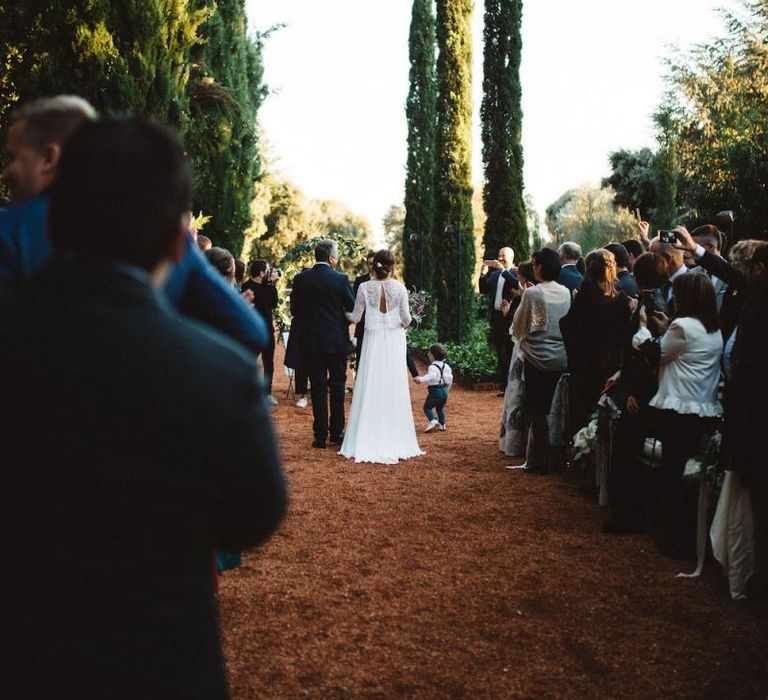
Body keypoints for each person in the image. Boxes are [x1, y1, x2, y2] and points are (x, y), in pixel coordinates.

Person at [0, 116, 286, 699]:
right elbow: (253, 514)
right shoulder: (219, 372)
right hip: (163, 666)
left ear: (54, 216)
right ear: (181, 242)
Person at [0, 95, 266, 354]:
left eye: (15, 156)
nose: (7, 170)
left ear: (49, 157)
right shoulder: (160, 229)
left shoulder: (10, 230)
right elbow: (249, 330)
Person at [632, 273, 723, 559]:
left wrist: (644, 329)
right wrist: (667, 327)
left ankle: (674, 539)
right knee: (691, 475)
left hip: (678, 409)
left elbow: (654, 354)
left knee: (673, 474)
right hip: (704, 408)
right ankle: (690, 537)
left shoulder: (683, 326)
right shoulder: (714, 328)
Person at [603, 252, 669, 534]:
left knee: (628, 456)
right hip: (641, 388)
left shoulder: (651, 305)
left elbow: (645, 355)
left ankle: (627, 518)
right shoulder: (651, 299)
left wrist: (634, 392)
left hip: (642, 393)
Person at [339, 249, 423, 464]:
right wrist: (414, 316)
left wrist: (337, 312)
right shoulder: (400, 288)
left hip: (373, 341)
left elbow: (355, 317)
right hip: (394, 341)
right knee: (393, 385)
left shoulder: (365, 287)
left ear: (374, 265)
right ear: (392, 266)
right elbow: (405, 320)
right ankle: (394, 436)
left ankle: (367, 435)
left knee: (370, 384)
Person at [721, 243, 768, 598]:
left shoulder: (758, 304)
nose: (746, 270)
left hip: (753, 416)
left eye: (750, 265)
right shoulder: (755, 298)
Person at [290, 239, 355, 448]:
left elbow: (294, 311)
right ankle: (337, 433)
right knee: (337, 386)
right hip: (336, 342)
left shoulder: (301, 279)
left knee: (317, 387)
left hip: (311, 343)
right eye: (336, 255)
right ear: (331, 258)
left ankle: (320, 436)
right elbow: (352, 308)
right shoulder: (341, 279)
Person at [560, 249, 632, 435]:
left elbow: (568, 327)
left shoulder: (585, 297)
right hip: (612, 365)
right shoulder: (622, 300)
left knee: (583, 415)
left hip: (586, 365)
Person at [513, 248, 571, 473]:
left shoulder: (533, 293)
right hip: (561, 356)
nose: (533, 267)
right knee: (556, 408)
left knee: (538, 409)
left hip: (537, 358)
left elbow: (520, 326)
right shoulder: (566, 292)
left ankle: (540, 462)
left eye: (534, 264)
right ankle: (557, 459)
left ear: (539, 267)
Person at [499, 261, 536, 459]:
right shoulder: (526, 294)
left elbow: (519, 326)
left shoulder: (529, 294)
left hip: (523, 350)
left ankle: (514, 444)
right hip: (527, 349)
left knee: (516, 395)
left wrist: (508, 315)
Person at [479, 246, 520, 391]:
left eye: (503, 255)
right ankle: (503, 385)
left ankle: (510, 386)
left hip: (509, 317)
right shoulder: (495, 275)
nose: (500, 258)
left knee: (508, 351)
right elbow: (483, 289)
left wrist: (503, 270)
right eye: (499, 255)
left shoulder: (515, 272)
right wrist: (483, 274)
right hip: (496, 317)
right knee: (499, 351)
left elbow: (518, 285)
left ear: (511, 257)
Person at [242, 259, 280, 405]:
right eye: (268, 270)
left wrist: (274, 285)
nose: (270, 273)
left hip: (267, 331)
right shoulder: (246, 286)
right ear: (261, 273)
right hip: (250, 330)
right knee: (249, 361)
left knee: (268, 363)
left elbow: (275, 304)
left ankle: (267, 394)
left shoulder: (270, 288)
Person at [413, 343, 453, 432]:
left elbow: (431, 376)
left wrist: (420, 379)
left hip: (435, 390)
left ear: (433, 356)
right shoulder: (446, 366)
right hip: (445, 390)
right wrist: (447, 389)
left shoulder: (432, 367)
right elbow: (450, 378)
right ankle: (442, 425)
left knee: (427, 407)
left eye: (429, 353)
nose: (428, 355)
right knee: (440, 408)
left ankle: (433, 420)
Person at [353, 251, 375, 369]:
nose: (372, 266)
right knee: (361, 360)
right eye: (370, 263)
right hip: (362, 327)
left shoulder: (387, 283)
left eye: (374, 263)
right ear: (367, 265)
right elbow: (354, 302)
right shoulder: (360, 280)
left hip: (378, 328)